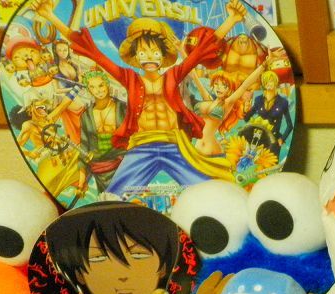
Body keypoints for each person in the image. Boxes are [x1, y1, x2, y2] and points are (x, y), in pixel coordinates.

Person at [33, 0, 248, 196]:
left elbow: (202, 50)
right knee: (113, 196)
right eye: (143, 53)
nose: (149, 58)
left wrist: (231, 19)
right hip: (141, 146)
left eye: (154, 53)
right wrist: (50, 16)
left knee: (209, 191)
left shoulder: (173, 75)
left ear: (163, 56)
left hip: (174, 145)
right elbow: (90, 50)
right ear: (135, 57)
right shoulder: (129, 78)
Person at [45, 203, 180, 294]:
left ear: (163, 266)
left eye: (139, 254)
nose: (122, 274)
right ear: (78, 273)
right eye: (98, 258)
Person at [77, 69, 126, 192]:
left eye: (101, 85)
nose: (98, 90)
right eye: (92, 87)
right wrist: (82, 180)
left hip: (123, 166)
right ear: (89, 90)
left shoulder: (123, 108)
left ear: (107, 85)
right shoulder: (86, 116)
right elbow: (84, 147)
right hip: (99, 169)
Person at [245, 70, 292, 146]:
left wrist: (282, 139)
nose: (268, 84)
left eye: (271, 81)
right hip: (257, 137)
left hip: (273, 140)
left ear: (276, 82)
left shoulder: (283, 102)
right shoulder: (258, 99)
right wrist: (245, 109)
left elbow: (290, 125)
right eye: (266, 82)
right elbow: (246, 118)